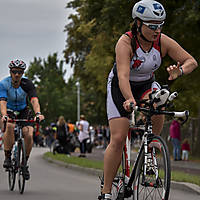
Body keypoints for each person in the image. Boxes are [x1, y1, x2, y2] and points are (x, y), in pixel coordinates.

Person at [99, 1, 198, 199]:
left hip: (146, 85)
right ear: (138, 23)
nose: (157, 30)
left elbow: (191, 62)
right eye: (152, 25)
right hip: (121, 85)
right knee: (118, 138)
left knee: (160, 101)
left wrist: (180, 72)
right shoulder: (126, 42)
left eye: (160, 24)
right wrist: (129, 100)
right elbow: (123, 76)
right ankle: (106, 191)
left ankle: (151, 148)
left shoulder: (162, 41)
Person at [0, 59, 44, 180]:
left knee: (28, 133)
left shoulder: (27, 84)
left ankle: (24, 163)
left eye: (20, 72)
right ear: (10, 72)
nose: (17, 74)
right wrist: (4, 115)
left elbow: (34, 100)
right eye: (14, 72)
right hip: (9, 109)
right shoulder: (4, 84)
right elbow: (2, 102)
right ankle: (8, 156)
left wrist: (38, 113)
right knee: (9, 126)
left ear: (23, 73)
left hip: (23, 110)